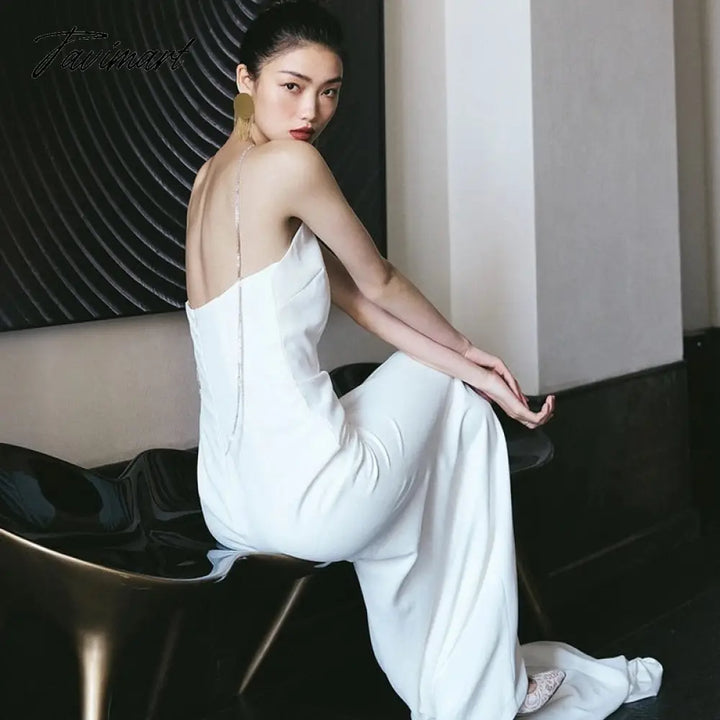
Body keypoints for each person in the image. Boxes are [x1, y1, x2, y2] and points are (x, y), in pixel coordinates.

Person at [184, 2, 662, 718]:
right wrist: (472, 357)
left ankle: (468, 682)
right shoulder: (291, 164)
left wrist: (471, 369)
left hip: (228, 505)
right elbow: (378, 281)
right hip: (307, 501)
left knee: (448, 412)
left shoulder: (207, 180)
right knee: (460, 406)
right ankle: (483, 688)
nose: (312, 110)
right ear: (245, 79)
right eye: (292, 85)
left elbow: (358, 304)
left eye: (329, 90)